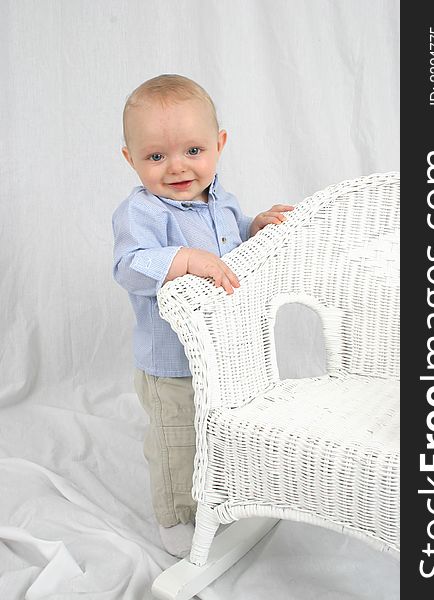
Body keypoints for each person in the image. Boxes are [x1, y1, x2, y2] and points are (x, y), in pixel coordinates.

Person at [112, 74, 294, 557]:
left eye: (193, 151)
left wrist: (256, 226)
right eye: (156, 156)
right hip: (171, 365)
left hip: (223, 355)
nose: (177, 167)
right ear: (131, 158)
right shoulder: (143, 212)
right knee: (178, 442)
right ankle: (174, 517)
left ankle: (221, 495)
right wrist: (180, 259)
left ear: (219, 144)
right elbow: (128, 266)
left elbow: (233, 246)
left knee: (218, 432)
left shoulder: (223, 203)